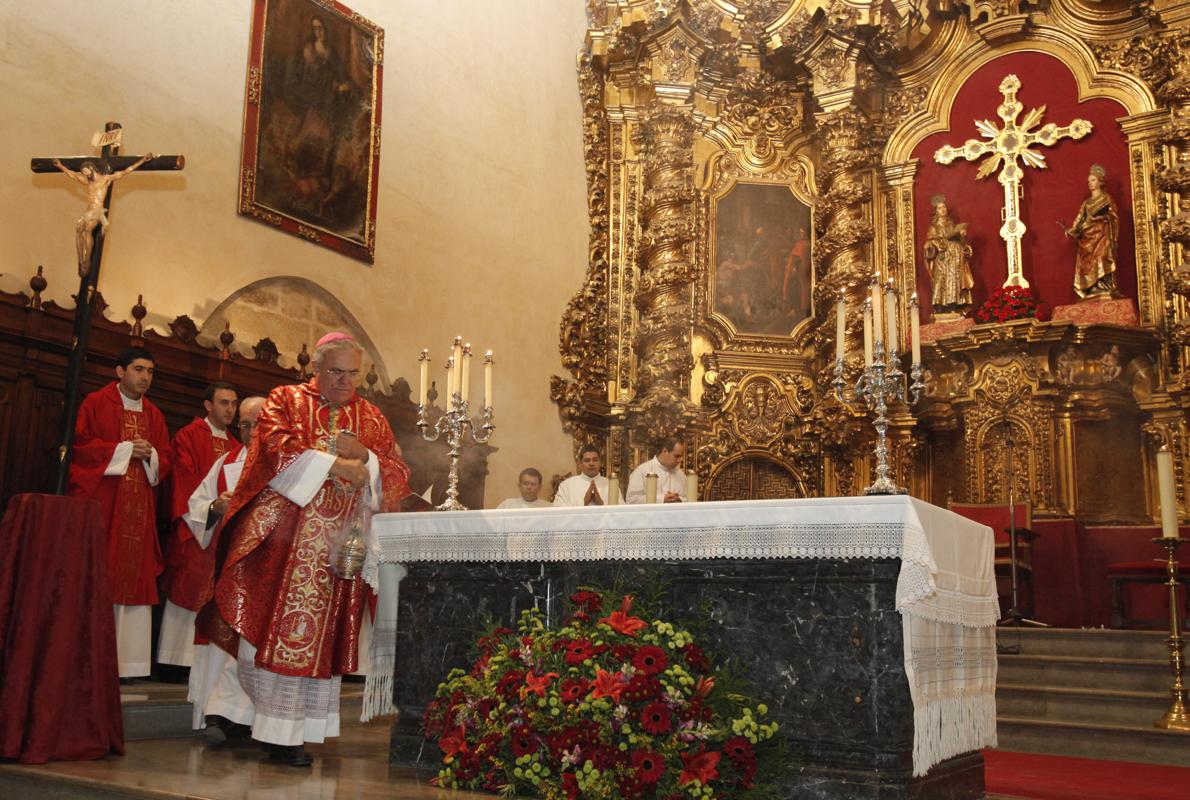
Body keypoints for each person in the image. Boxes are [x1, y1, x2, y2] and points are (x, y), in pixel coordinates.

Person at [205, 333, 411, 766]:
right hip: (283, 544)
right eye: (336, 372)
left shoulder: (370, 416)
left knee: (317, 643)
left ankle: (290, 733)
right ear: (315, 369)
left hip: (336, 555)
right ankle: (263, 725)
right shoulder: (286, 399)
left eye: (353, 373)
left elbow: (396, 471)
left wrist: (368, 459)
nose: (345, 381)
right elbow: (272, 450)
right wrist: (336, 463)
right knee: (262, 633)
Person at [67, 345, 172, 680]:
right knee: (102, 576)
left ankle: (128, 666)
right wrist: (126, 449)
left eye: (151, 372)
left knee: (136, 581)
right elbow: (79, 449)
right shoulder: (96, 404)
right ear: (120, 371)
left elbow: (166, 460)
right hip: (106, 511)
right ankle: (90, 659)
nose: (145, 377)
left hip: (139, 515)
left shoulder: (154, 415)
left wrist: (151, 455)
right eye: (139, 369)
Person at [188, 396, 265, 744]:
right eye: (244, 425)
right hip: (226, 564)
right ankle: (215, 714)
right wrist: (215, 507)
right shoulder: (226, 462)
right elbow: (197, 504)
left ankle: (248, 719)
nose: (249, 432)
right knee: (219, 636)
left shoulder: (283, 462)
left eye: (257, 424)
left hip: (263, 567)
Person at [158, 382, 242, 671]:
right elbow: (185, 482)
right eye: (223, 403)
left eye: (233, 404)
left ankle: (205, 658)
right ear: (208, 405)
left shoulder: (237, 447)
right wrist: (207, 512)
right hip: (197, 526)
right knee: (190, 581)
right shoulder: (189, 436)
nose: (229, 409)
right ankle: (176, 660)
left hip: (226, 533)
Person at [51, 154, 155, 277]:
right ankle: (81, 260)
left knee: (88, 229)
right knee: (79, 228)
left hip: (98, 211)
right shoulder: (87, 181)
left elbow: (125, 172)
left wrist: (142, 160)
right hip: (88, 212)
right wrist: (60, 166)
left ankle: (87, 260)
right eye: (84, 173)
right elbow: (73, 175)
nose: (86, 174)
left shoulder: (105, 179)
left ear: (91, 168)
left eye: (86, 171)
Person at [1066, 164, 1120, 299]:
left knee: (1102, 257)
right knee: (1088, 264)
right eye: (1089, 181)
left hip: (1102, 235)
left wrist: (1103, 217)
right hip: (1087, 238)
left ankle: (1104, 286)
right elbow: (1079, 219)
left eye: (1093, 180)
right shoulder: (1087, 203)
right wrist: (1073, 230)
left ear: (1100, 182)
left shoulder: (1106, 198)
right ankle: (1092, 288)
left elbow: (1114, 217)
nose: (1090, 183)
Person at [923, 194, 975, 315]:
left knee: (954, 281)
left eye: (944, 207)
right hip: (942, 259)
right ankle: (940, 305)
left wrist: (961, 235)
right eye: (940, 208)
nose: (943, 210)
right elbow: (930, 242)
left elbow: (960, 242)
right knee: (940, 281)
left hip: (955, 258)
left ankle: (955, 305)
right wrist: (936, 243)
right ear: (936, 212)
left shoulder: (951, 225)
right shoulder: (934, 227)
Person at [553, 445, 623, 507]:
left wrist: (601, 504)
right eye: (587, 460)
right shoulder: (566, 485)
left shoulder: (611, 485)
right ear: (580, 463)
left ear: (601, 462)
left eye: (595, 460)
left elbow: (623, 512)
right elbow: (557, 511)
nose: (591, 463)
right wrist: (583, 503)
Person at [626, 437, 688, 504]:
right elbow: (631, 500)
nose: (680, 460)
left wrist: (679, 499)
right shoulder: (642, 471)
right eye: (677, 456)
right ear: (665, 451)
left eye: (681, 457)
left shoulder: (681, 475)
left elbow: (690, 499)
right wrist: (662, 499)